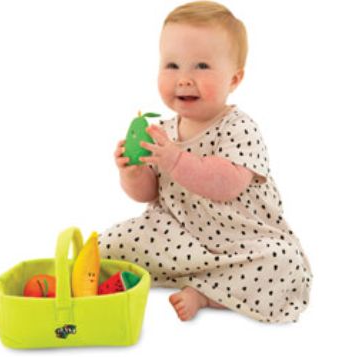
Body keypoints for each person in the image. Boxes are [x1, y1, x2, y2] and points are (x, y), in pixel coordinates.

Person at [98, 1, 312, 323]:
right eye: (172, 65)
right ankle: (197, 273)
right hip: (178, 234)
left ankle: (206, 293)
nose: (184, 79)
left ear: (234, 79)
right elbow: (148, 193)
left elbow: (226, 185)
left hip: (241, 240)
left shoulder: (239, 127)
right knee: (107, 246)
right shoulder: (163, 132)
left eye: (201, 66)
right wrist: (132, 172)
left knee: (287, 261)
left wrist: (174, 158)